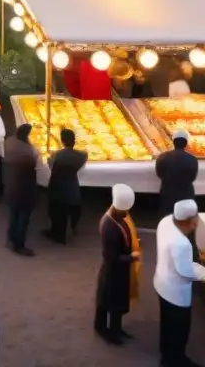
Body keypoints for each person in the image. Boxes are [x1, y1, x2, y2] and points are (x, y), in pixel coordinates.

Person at [154, 200, 205, 367]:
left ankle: (165, 353)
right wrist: (203, 273)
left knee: (166, 323)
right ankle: (175, 360)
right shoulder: (182, 243)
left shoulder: (165, 222)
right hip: (176, 293)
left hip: (161, 281)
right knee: (180, 330)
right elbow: (185, 272)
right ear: (190, 222)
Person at [95, 184, 141, 345]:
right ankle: (105, 330)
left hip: (120, 270)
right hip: (112, 270)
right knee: (109, 301)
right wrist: (131, 256)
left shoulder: (119, 216)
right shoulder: (109, 226)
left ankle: (115, 329)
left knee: (116, 301)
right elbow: (110, 256)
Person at [44, 128, 88, 244]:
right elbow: (84, 154)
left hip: (58, 188)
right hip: (72, 189)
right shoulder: (81, 156)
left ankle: (57, 235)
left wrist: (50, 156)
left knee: (56, 212)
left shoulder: (58, 155)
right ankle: (73, 228)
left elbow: (51, 164)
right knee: (71, 210)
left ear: (62, 141)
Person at [3, 123, 41, 256]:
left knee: (13, 215)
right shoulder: (27, 153)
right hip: (24, 190)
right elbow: (36, 164)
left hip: (11, 185)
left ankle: (10, 240)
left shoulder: (9, 142)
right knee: (23, 219)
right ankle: (19, 245)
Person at [155, 129, 198, 216]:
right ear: (186, 143)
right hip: (186, 194)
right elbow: (193, 177)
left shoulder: (162, 158)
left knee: (167, 218)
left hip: (168, 193)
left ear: (173, 142)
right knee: (185, 219)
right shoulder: (192, 159)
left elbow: (159, 174)